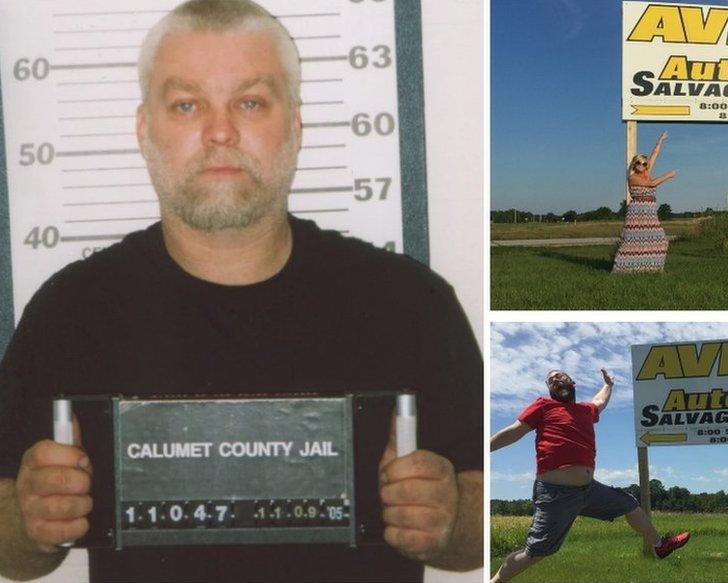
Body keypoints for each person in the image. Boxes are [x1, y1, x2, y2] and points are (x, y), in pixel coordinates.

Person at [0, 1, 482, 582]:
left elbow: (481, 522)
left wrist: (452, 519)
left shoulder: (411, 303)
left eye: (250, 102)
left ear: (296, 126)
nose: (220, 131)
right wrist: (29, 525)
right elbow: (10, 549)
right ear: (143, 129)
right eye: (186, 104)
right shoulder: (69, 311)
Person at [489, 368, 690, 582]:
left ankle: (660, 545)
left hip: (590, 490)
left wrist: (609, 385)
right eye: (550, 380)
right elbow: (514, 431)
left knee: (629, 504)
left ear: (572, 382)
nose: (555, 378)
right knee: (536, 552)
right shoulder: (543, 406)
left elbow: (599, 401)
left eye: (558, 375)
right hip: (556, 494)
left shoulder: (585, 410)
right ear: (550, 390)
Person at [612, 131, 677, 274]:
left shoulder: (646, 173)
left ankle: (652, 268)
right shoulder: (633, 177)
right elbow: (652, 184)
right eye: (638, 163)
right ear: (634, 165)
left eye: (644, 163)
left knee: (660, 240)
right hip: (637, 213)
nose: (642, 165)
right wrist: (668, 175)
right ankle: (623, 269)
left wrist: (660, 141)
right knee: (631, 242)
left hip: (650, 212)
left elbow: (654, 155)